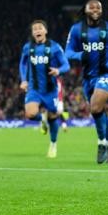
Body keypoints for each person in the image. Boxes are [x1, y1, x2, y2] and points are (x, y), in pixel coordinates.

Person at [65, 0, 108, 164]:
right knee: (98, 112)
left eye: (98, 7)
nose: (95, 9)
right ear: (85, 10)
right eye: (92, 7)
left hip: (107, 74)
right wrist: (80, 55)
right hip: (88, 77)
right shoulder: (76, 29)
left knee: (95, 107)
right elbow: (68, 52)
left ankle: (102, 143)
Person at [19, 20, 70, 158]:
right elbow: (22, 63)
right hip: (34, 88)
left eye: (40, 28)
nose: (37, 31)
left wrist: (58, 70)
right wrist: (23, 79)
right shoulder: (27, 47)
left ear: (45, 31)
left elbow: (66, 65)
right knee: (30, 114)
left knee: (53, 117)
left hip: (50, 89)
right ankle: (42, 118)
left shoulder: (55, 47)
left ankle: (53, 144)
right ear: (32, 33)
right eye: (34, 29)